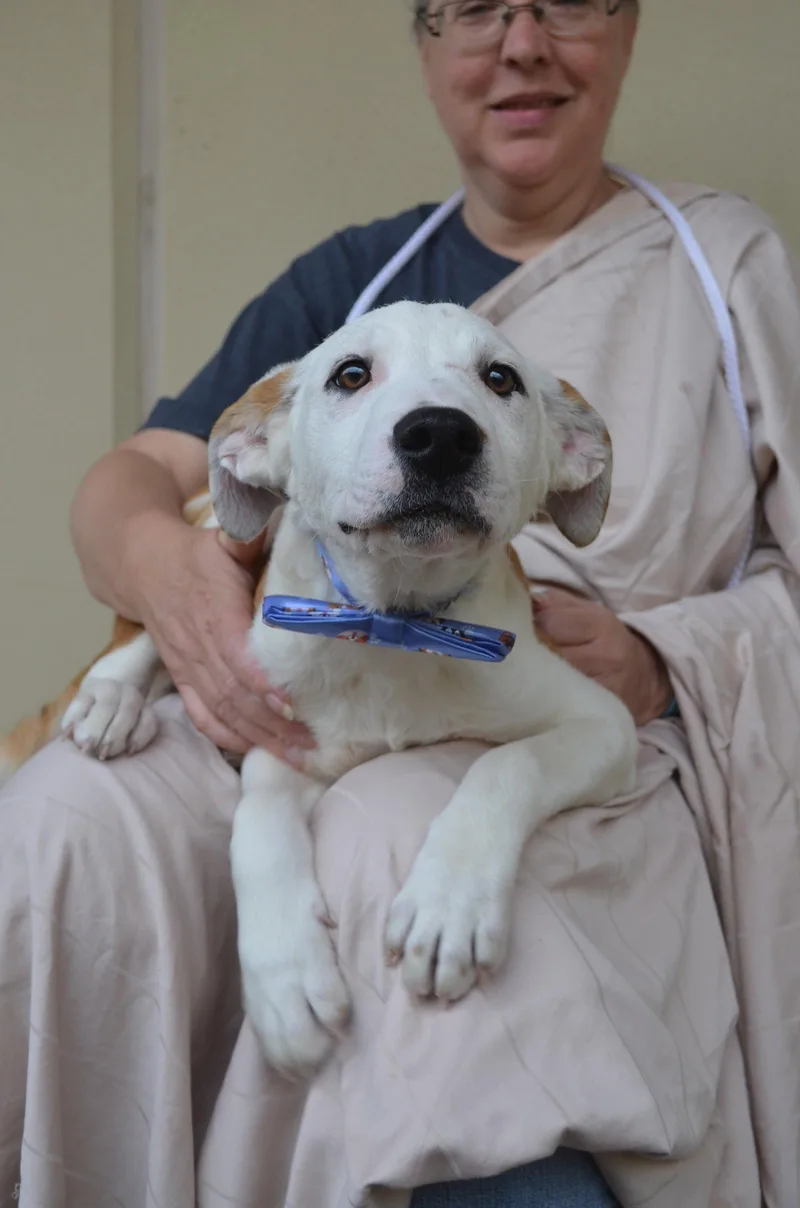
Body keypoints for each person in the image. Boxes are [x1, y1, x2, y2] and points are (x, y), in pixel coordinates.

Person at [2, 0, 800, 1204]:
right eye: (474, 8)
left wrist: (659, 653)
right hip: (303, 658)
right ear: (423, 44)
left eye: (568, 2)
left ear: (628, 28)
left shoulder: (722, 262)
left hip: (558, 705)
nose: (521, 44)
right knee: (63, 817)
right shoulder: (347, 283)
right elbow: (142, 478)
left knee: (387, 840)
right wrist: (168, 574)